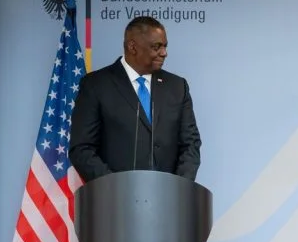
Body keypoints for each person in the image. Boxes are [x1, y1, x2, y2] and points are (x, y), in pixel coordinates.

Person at [69, 16, 201, 183]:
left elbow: (190, 144)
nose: (164, 53)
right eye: (156, 47)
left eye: (165, 46)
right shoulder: (96, 85)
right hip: (115, 195)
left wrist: (179, 187)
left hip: (169, 195)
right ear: (132, 47)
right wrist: (116, 187)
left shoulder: (177, 87)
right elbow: (82, 148)